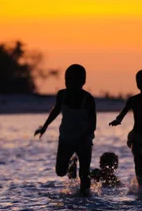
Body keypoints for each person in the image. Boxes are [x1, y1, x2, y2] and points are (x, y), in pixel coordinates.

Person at [34, 64, 96, 197]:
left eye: (74, 81)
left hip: (83, 140)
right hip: (66, 138)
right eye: (67, 80)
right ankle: (71, 163)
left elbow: (93, 123)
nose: (70, 84)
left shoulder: (88, 99)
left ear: (82, 82)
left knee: (84, 173)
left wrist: (86, 136)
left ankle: (85, 197)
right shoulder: (62, 95)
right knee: (60, 172)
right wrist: (44, 127)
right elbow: (56, 110)